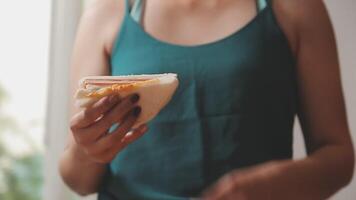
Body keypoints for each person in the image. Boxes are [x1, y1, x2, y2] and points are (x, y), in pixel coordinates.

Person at [59, 0, 355, 199]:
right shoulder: (105, 12)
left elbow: (338, 156)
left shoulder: (296, 7)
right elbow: (78, 180)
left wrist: (266, 186)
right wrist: (87, 151)